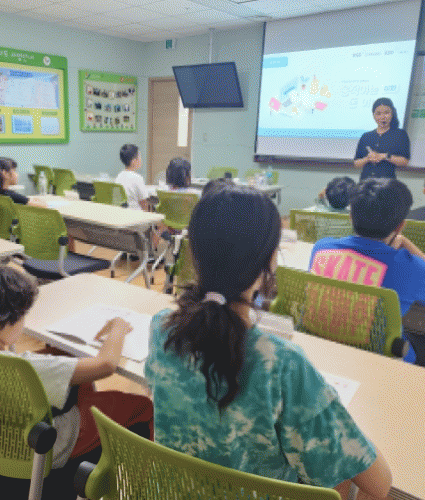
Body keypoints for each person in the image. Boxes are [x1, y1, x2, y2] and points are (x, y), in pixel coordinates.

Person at [144, 183, 392, 498]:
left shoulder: (162, 330)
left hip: (176, 492)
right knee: (340, 482)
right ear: (272, 260)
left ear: (193, 253)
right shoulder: (283, 363)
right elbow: (380, 483)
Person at [0, 264, 153, 500]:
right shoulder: (26, 369)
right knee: (144, 407)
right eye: (20, 315)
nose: (24, 320)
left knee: (71, 367)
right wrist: (118, 327)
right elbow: (106, 364)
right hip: (40, 457)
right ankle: (144, 487)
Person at [309, 178, 425, 367]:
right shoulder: (408, 266)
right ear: (400, 226)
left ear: (350, 217)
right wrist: (406, 243)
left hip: (323, 344)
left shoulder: (322, 248)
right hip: (378, 355)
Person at [354, 98, 410, 181]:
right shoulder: (366, 136)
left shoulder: (400, 134)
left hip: (387, 183)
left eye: (386, 113)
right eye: (378, 114)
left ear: (392, 114)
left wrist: (385, 156)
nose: (382, 117)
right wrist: (368, 158)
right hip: (365, 182)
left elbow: (405, 162)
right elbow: (356, 163)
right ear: (373, 115)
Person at [115, 144, 150, 211]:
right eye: (139, 157)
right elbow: (144, 204)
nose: (141, 160)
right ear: (133, 161)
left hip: (122, 213)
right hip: (135, 214)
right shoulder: (137, 178)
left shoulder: (119, 176)